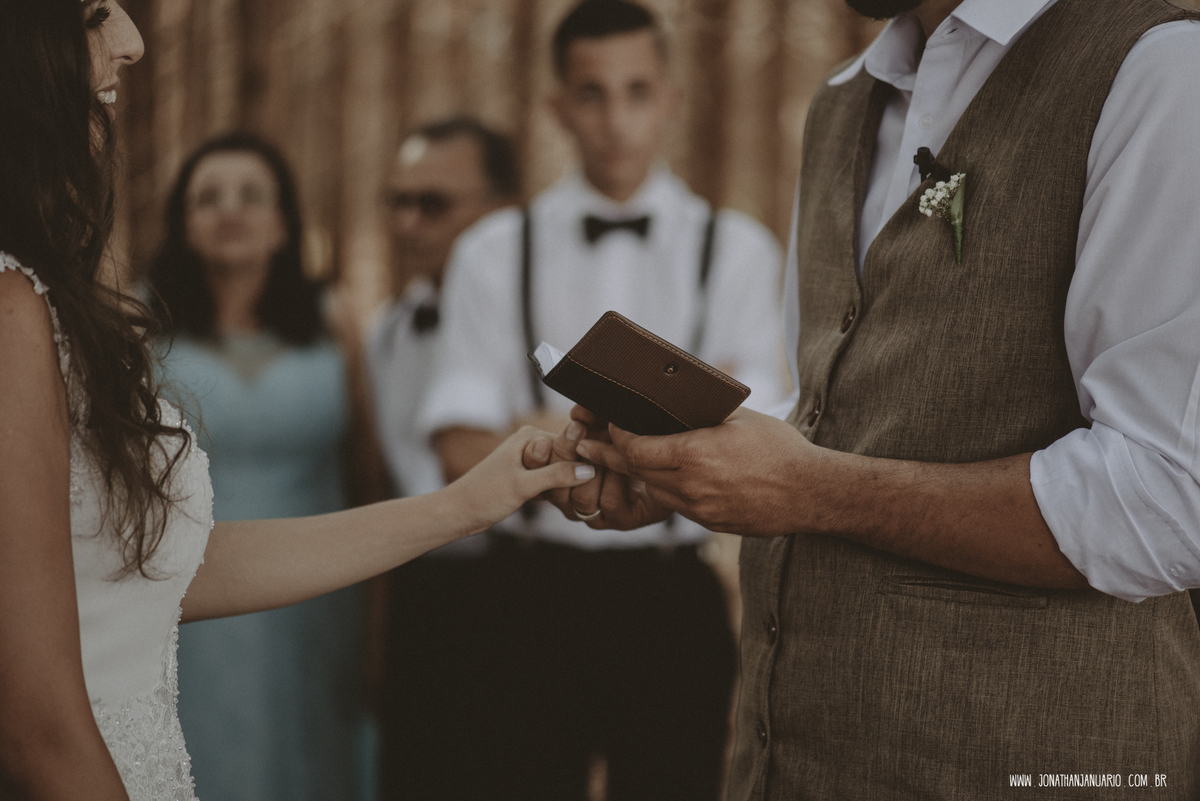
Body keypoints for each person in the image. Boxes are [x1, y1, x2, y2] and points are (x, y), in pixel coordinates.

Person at [532, 0, 1200, 797]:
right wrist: (695, 467)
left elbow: (1167, 499)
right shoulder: (841, 102)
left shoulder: (1159, 70)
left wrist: (807, 488)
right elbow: (839, 413)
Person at [0, 2, 595, 798]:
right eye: (94, 11)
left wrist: (467, 501)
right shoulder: (12, 309)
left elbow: (161, 565)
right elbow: (36, 719)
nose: (133, 41)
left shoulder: (326, 323)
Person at [414, 1, 786, 797]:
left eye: (637, 91)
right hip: (524, 596)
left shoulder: (742, 251)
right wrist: (668, 430)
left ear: (672, 98)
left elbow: (767, 433)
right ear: (557, 106)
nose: (617, 119)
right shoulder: (490, 252)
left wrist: (540, 431)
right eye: (592, 93)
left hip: (671, 596)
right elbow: (455, 442)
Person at [149, 132, 369, 801]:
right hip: (185, 594)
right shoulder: (138, 327)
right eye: (208, 198)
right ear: (184, 225)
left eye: (251, 195)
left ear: (282, 224)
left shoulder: (337, 322)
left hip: (320, 590)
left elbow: (369, 471)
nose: (230, 210)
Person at [363, 118, 524, 798]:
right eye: (398, 200)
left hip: (523, 593)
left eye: (432, 203)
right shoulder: (388, 330)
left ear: (501, 210)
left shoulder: (539, 324)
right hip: (419, 595)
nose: (408, 222)